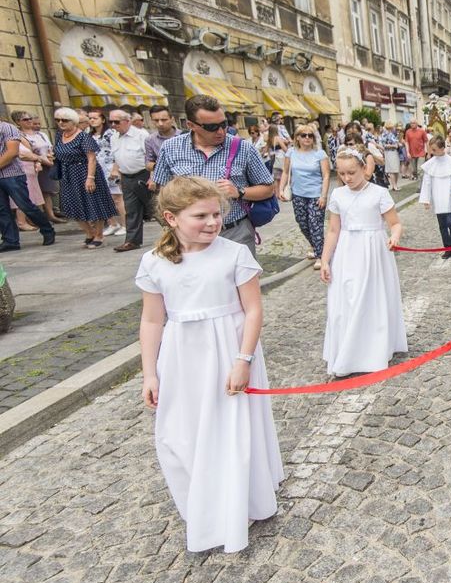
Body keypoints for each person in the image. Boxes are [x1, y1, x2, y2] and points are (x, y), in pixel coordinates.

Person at [136, 176, 284, 553]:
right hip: (183, 354)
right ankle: (202, 498)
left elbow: (253, 311)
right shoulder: (154, 262)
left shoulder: (234, 254)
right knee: (180, 433)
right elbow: (152, 320)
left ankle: (241, 500)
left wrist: (243, 360)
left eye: (217, 214)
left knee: (231, 428)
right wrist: (150, 372)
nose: (212, 222)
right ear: (171, 218)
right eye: (200, 215)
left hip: (230, 350)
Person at [151, 95, 275, 256]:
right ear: (191, 125)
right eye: (212, 127)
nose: (221, 131)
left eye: (223, 124)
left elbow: (268, 188)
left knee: (240, 281)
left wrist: (240, 192)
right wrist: (171, 227)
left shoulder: (243, 148)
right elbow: (162, 194)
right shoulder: (171, 148)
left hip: (234, 232)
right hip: (188, 237)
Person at [320, 149, 407, 376]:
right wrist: (325, 260)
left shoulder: (379, 193)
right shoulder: (338, 195)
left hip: (373, 250)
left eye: (352, 172)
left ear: (363, 169)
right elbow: (333, 230)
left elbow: (395, 223)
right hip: (347, 251)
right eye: (342, 173)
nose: (347, 178)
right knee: (347, 299)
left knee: (370, 298)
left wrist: (394, 236)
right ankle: (347, 349)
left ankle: (371, 349)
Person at [52, 107, 116, 249]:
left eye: (65, 120)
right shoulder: (59, 135)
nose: (61, 123)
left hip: (85, 171)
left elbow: (91, 159)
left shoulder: (83, 137)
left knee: (94, 203)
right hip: (68, 174)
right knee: (72, 205)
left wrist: (90, 178)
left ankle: (99, 235)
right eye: (58, 120)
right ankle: (89, 233)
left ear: (73, 121)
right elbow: (56, 151)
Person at [0, 114, 55, 252]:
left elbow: (12, 152)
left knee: (25, 205)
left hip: (11, 174)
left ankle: (47, 230)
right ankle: (10, 240)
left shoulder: (7, 128)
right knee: (2, 210)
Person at [278, 123, 329, 266]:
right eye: (303, 135)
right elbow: (286, 172)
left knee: (315, 224)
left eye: (310, 135)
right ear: (297, 138)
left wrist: (323, 196)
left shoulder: (320, 154)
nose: (307, 138)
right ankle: (316, 246)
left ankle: (320, 256)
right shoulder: (291, 153)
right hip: (298, 194)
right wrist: (281, 189)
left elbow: (326, 176)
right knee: (303, 224)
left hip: (315, 195)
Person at [107, 110, 151, 252]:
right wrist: (115, 170)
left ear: (127, 121)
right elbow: (117, 156)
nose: (113, 125)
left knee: (155, 207)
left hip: (143, 175)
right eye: (111, 122)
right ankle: (132, 241)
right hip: (126, 176)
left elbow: (150, 156)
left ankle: (173, 236)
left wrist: (153, 177)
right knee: (131, 209)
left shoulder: (141, 135)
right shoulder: (114, 137)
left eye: (117, 122)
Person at [419, 135, 451, 260]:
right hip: (438, 198)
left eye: (434, 149)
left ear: (442, 148)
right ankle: (447, 248)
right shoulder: (430, 165)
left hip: (450, 197)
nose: (431, 152)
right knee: (442, 224)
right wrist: (426, 200)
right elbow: (426, 183)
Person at [90, 110, 126, 236]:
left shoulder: (110, 133)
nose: (92, 120)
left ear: (103, 120)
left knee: (117, 197)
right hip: (98, 168)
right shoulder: (89, 135)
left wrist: (116, 168)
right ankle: (112, 223)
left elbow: (116, 150)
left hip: (110, 166)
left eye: (95, 118)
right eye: (90, 118)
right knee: (103, 197)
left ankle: (125, 224)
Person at [145, 106, 181, 193]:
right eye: (156, 120)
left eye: (164, 120)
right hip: (165, 184)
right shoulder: (150, 140)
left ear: (172, 119)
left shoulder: (184, 136)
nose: (160, 123)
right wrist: (161, 166)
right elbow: (148, 164)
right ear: (151, 121)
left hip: (185, 181)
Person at [380, 122, 401, 190]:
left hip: (395, 152)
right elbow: (384, 145)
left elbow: (396, 142)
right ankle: (394, 186)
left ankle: (395, 185)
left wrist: (398, 144)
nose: (393, 128)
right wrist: (393, 145)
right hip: (389, 153)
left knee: (396, 169)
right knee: (391, 169)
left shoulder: (393, 134)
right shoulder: (384, 134)